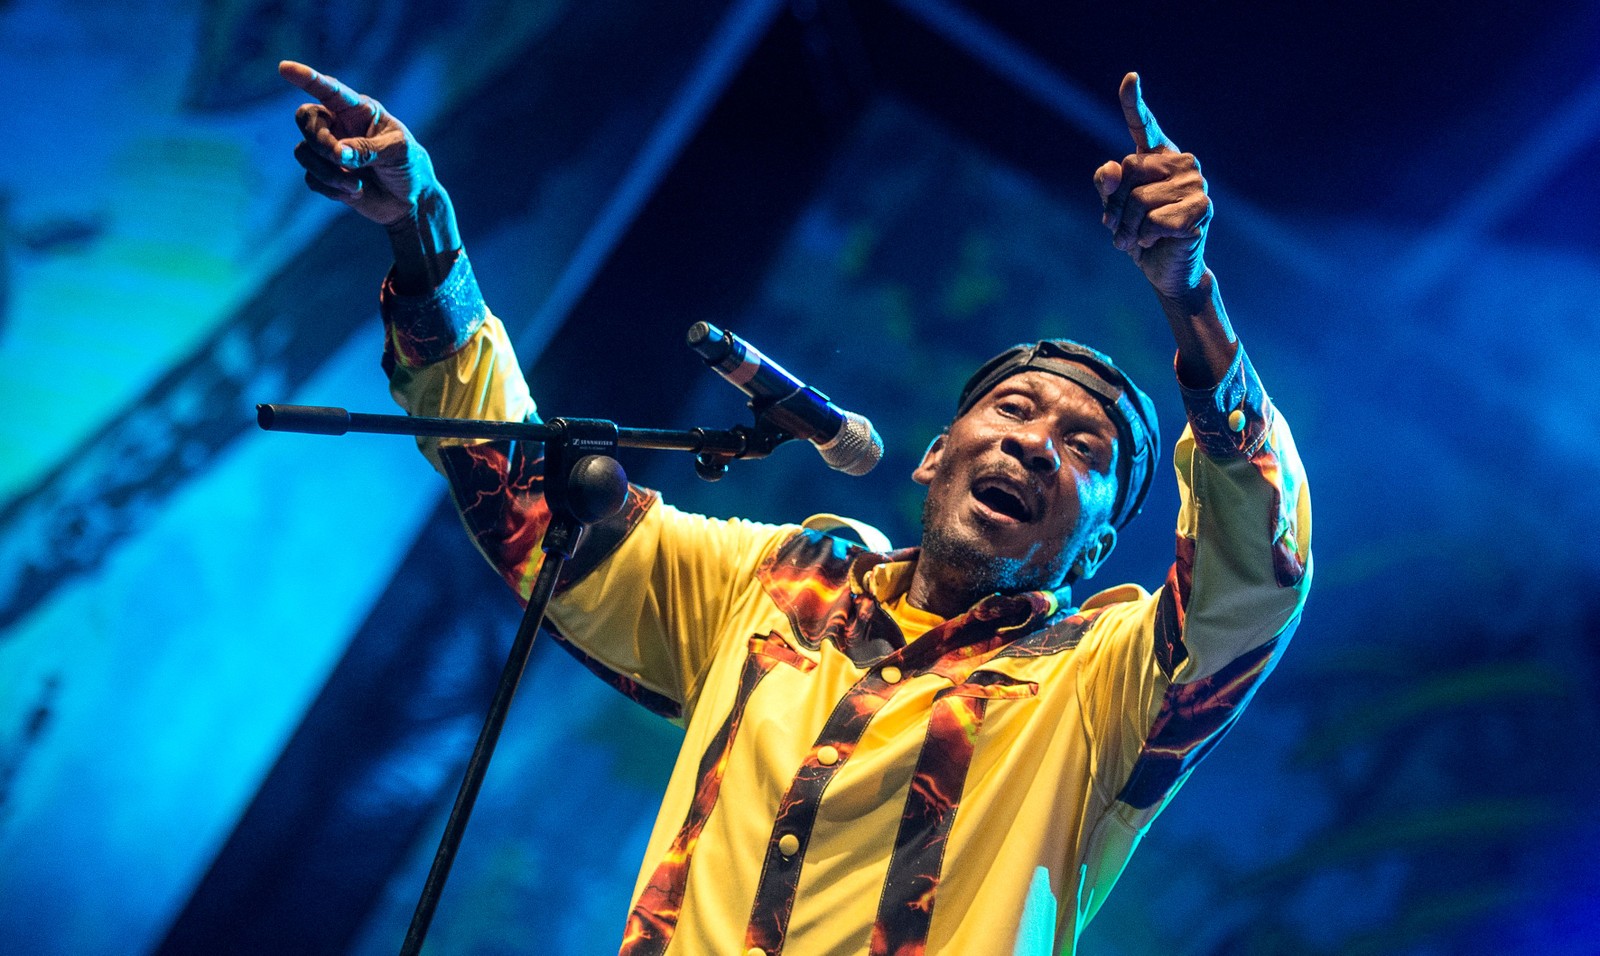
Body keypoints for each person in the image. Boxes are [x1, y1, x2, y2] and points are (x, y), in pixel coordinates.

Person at [280, 58, 1311, 955]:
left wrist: (1190, 297)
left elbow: (1252, 575)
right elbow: (530, 497)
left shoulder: (1103, 686)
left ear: (1091, 545)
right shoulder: (776, 587)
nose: (1035, 443)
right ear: (933, 458)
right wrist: (421, 234)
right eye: (1011, 409)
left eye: (1084, 450)